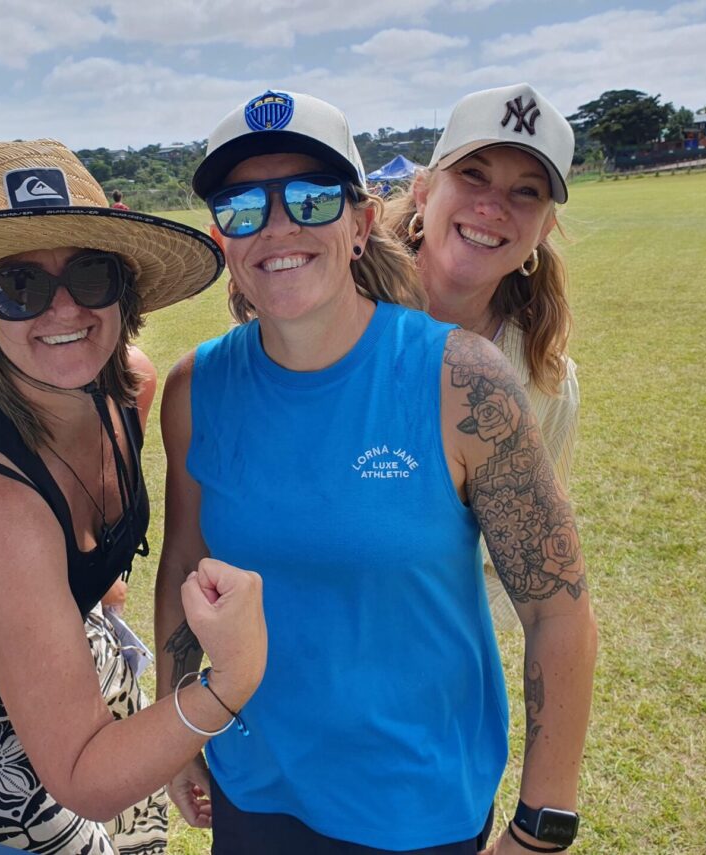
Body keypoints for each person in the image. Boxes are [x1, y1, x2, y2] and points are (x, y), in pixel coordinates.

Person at [155, 89, 597, 855]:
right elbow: (184, 559)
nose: (278, 226)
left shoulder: (467, 381)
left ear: (361, 223)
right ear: (222, 236)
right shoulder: (196, 388)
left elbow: (557, 612)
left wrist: (542, 824)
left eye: (311, 198)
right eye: (243, 207)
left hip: (414, 807)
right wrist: (177, 719)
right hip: (254, 786)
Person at [0, 139, 267, 855]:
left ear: (125, 289)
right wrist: (233, 677)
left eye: (91, 273)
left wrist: (91, 588)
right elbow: (85, 777)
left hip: (72, 639)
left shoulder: (128, 386)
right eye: (20, 285)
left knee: (140, 839)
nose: (65, 308)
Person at [384, 82, 580, 636]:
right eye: (473, 175)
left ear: (544, 228)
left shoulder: (545, 379)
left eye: (526, 191)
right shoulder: (336, 320)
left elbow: (518, 559)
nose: (492, 206)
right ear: (423, 191)